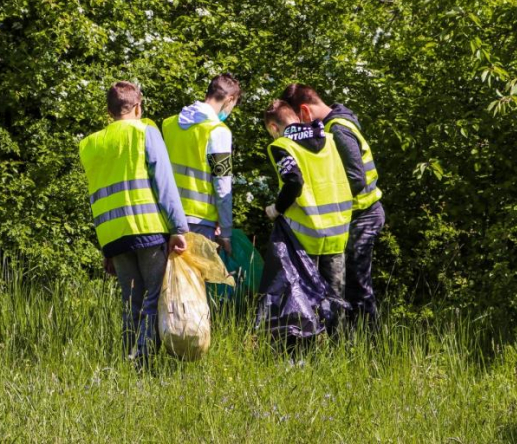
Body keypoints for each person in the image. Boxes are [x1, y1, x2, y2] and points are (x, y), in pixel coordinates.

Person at [79, 81, 189, 368]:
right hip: (148, 228)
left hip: (113, 235)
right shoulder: (145, 133)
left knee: (131, 303)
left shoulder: (91, 144)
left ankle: (131, 359)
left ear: (108, 111)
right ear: (138, 106)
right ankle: (142, 362)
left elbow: (96, 194)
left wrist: (106, 248)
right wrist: (178, 228)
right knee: (153, 298)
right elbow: (163, 183)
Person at [282, 84, 385, 328]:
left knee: (357, 285)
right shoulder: (334, 124)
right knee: (349, 284)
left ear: (305, 111)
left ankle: (369, 342)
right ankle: (351, 341)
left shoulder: (337, 129)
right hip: (354, 215)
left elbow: (356, 179)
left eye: (298, 121)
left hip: (364, 214)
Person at [263, 99, 353, 325]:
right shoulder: (329, 139)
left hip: (305, 235)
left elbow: (294, 182)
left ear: (274, 127)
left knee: (305, 299)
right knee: (336, 298)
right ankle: (338, 351)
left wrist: (276, 209)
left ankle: (309, 352)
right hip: (337, 231)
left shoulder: (282, 146)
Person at [162, 73, 241, 255]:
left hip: (167, 217)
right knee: (194, 282)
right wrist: (226, 232)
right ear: (229, 100)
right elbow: (222, 184)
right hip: (199, 221)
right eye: (233, 106)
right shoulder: (218, 132)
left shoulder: (169, 124)